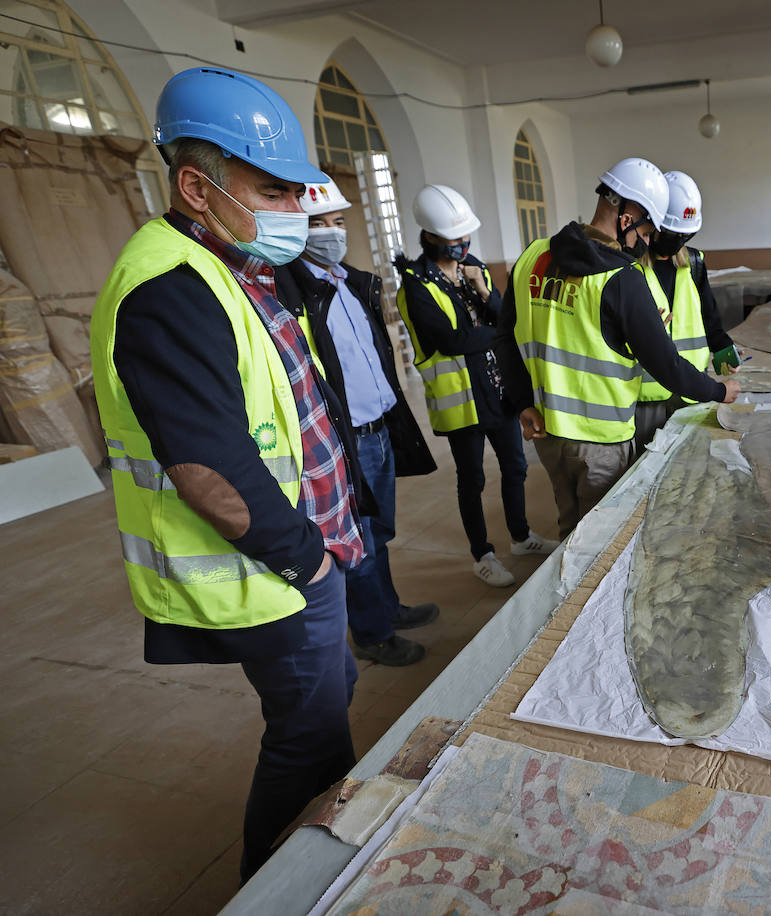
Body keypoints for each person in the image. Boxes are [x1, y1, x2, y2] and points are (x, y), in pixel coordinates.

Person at [90, 67, 362, 882]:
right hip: (264, 577)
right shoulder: (168, 289)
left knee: (327, 714)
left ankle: (308, 868)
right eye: (273, 192)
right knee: (308, 739)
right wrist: (309, 562)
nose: (294, 211)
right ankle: (270, 889)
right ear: (196, 188)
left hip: (299, 558)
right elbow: (211, 474)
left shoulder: (230, 265)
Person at [493, 157, 742, 539]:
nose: (646, 243)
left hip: (547, 432)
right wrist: (720, 391)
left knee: (569, 531)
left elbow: (504, 337)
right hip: (601, 440)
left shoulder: (532, 256)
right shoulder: (620, 278)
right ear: (626, 220)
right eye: (646, 232)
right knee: (598, 542)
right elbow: (666, 364)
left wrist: (522, 402)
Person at [275, 178, 439, 666]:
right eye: (318, 224)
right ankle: (371, 635)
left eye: (338, 222)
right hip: (347, 440)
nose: (332, 233)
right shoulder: (294, 292)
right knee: (359, 542)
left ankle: (387, 609)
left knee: (380, 532)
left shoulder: (350, 283)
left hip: (380, 429)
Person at [395, 185, 556, 586]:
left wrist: (484, 293)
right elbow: (451, 342)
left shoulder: (476, 269)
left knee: (516, 466)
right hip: (461, 402)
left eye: (465, 235)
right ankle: (481, 554)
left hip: (496, 389)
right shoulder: (415, 285)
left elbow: (505, 319)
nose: (462, 243)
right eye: (454, 238)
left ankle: (520, 536)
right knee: (472, 480)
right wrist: (494, 330)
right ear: (430, 237)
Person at [633, 170, 741, 454]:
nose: (677, 241)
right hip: (647, 397)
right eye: (671, 234)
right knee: (646, 469)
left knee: (691, 465)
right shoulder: (630, 267)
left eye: (684, 235)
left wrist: (721, 346)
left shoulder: (693, 262)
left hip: (692, 389)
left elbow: (709, 312)